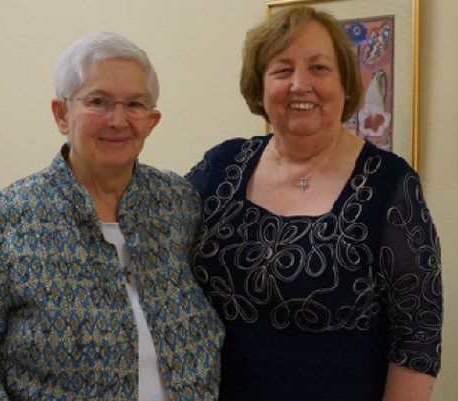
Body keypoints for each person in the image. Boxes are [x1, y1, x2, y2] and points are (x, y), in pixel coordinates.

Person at [0, 32, 224, 400]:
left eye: (134, 104)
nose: (117, 120)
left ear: (152, 120)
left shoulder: (179, 205)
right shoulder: (1, 220)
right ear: (61, 114)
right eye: (98, 101)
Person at [186, 6, 442, 401]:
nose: (299, 84)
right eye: (282, 69)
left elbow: (417, 339)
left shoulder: (388, 183)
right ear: (260, 84)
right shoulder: (221, 166)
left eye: (319, 68)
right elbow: (153, 241)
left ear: (345, 84)